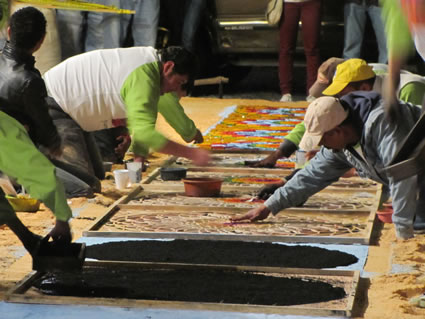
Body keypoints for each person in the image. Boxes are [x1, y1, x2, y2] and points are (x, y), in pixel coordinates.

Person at [233, 91, 424, 239]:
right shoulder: (341, 146)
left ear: (337, 131)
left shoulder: (385, 122)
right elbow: (311, 175)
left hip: (417, 177)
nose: (321, 146)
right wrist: (268, 207)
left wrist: (402, 231)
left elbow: (402, 174)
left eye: (322, 140)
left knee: (414, 226)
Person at [43, 46, 210, 187]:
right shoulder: (146, 76)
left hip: (75, 114)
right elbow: (146, 134)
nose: (175, 91)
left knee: (98, 175)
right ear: (168, 67)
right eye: (179, 83)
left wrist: (138, 161)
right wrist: (192, 154)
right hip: (55, 105)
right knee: (84, 186)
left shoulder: (151, 70)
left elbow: (145, 125)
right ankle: (28, 175)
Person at [250, 58, 425, 168]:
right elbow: (318, 120)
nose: (341, 99)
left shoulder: (407, 89)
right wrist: (278, 154)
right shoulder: (359, 84)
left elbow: (407, 147)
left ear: (364, 88)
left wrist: (352, 162)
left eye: (342, 94)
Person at [0, 7, 72, 254]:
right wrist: (62, 220)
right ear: (41, 42)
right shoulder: (29, 81)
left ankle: (28, 240)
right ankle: (29, 239)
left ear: (8, 31)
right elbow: (43, 134)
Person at [278, 0, 322, 102]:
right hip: (287, 3)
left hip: (311, 3)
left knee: (312, 49)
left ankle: (312, 92)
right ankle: (286, 92)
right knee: (286, 49)